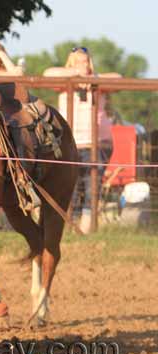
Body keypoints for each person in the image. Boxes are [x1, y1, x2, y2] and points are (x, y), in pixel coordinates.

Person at [43, 47, 121, 232]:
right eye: (77, 61)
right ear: (70, 64)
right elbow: (48, 73)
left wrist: (93, 79)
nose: (82, 65)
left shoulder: (98, 84)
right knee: (69, 188)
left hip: (96, 144)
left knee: (91, 189)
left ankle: (86, 232)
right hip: (70, 144)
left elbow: (118, 78)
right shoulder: (63, 82)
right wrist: (75, 75)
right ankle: (70, 229)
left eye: (85, 61)